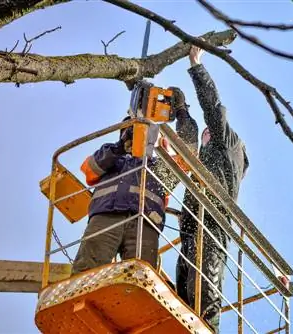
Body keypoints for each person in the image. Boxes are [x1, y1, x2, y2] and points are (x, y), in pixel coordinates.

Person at [71, 88, 198, 275]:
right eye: (129, 130)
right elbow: (90, 169)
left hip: (145, 221)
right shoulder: (111, 156)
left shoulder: (160, 168)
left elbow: (189, 152)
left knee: (141, 278)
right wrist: (120, 148)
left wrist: (182, 112)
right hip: (107, 216)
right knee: (87, 272)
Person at [175, 44, 250, 332]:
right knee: (182, 288)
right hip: (192, 226)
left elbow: (213, 110)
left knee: (204, 293)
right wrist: (181, 112)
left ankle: (209, 327)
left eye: (209, 132)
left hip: (212, 225)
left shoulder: (228, 144)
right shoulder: (207, 160)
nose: (205, 133)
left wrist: (196, 66)